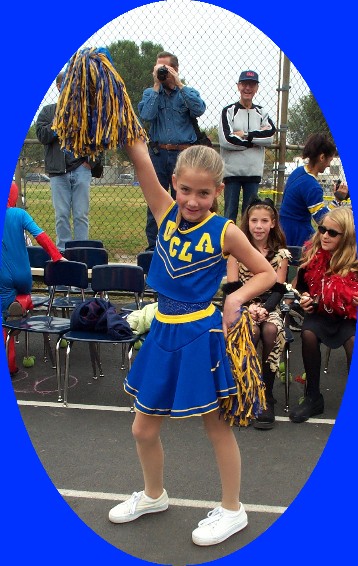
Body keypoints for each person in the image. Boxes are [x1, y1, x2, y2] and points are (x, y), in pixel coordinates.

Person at [108, 141, 276, 546]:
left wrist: (234, 298)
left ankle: (234, 509)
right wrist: (128, 131)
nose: (193, 200)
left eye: (204, 193)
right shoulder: (164, 211)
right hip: (163, 330)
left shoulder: (226, 231)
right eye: (186, 190)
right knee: (142, 428)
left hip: (201, 335)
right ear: (174, 185)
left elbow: (266, 273)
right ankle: (153, 495)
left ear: (218, 191)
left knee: (216, 428)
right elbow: (140, 157)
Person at [225, 197, 290, 429]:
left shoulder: (281, 254)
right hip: (242, 306)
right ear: (247, 222)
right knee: (249, 331)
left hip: (269, 307)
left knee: (271, 330)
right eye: (254, 220)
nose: (259, 226)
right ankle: (246, 392)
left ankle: (267, 395)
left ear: (273, 223)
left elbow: (279, 289)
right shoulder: (235, 252)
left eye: (264, 221)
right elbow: (232, 289)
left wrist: (263, 309)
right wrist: (248, 308)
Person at [289, 207, 358, 423]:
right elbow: (298, 288)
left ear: (345, 236)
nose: (325, 235)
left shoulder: (354, 261)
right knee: (308, 334)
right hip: (319, 313)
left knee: (353, 341)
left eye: (332, 232)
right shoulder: (311, 254)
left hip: (348, 317)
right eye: (322, 230)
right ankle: (312, 397)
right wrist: (303, 299)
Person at [138, 51, 206, 250]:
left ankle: (183, 244)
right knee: (155, 202)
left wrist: (178, 83)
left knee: (185, 202)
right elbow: (146, 115)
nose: (161, 72)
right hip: (158, 154)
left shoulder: (187, 92)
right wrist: (157, 85)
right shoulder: (150, 94)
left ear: (175, 69)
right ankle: (154, 247)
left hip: (183, 156)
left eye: (165, 68)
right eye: (158, 68)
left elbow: (199, 109)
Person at [1, 181, 64, 376]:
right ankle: (24, 301)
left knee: (4, 323)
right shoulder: (19, 214)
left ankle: (10, 365)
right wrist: (57, 255)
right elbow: (40, 235)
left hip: (2, 276)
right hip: (23, 274)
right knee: (22, 294)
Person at [36, 72, 94, 251]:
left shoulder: (85, 112)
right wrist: (59, 122)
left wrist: (91, 161)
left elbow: (96, 138)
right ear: (59, 86)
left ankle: (81, 250)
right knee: (61, 214)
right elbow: (42, 135)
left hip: (80, 168)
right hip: (58, 171)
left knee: (80, 215)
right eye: (66, 83)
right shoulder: (48, 111)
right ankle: (63, 252)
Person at [218, 70, 276, 223]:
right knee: (229, 214)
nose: (247, 88)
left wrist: (245, 135)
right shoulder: (229, 111)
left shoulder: (262, 112)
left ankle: (247, 246)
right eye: (244, 84)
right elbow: (226, 140)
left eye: (252, 84)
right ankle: (227, 246)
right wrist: (256, 141)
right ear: (238, 86)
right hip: (232, 173)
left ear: (256, 88)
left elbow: (270, 136)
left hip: (253, 172)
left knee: (250, 215)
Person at [279, 133, 349, 247]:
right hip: (297, 234)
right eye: (329, 161)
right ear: (322, 157)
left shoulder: (298, 171)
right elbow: (321, 220)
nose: (329, 165)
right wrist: (337, 200)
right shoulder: (312, 186)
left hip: (283, 227)